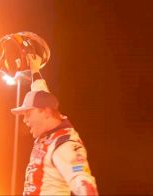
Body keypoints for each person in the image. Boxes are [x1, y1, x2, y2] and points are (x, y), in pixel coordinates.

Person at [11, 53, 99, 195]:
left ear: (45, 112)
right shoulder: (50, 121)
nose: (25, 120)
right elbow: (41, 93)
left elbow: (83, 182)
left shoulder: (65, 144)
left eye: (28, 113)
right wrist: (35, 69)